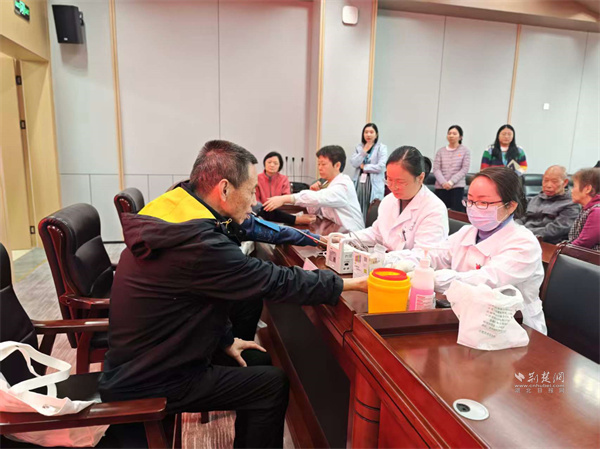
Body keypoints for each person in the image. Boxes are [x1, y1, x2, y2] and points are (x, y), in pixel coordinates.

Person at [98, 140, 367, 448]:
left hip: (150, 352)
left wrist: (225, 339)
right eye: (251, 191)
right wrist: (347, 284)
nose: (253, 202)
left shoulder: (180, 205)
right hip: (154, 375)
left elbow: (200, 290)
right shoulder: (199, 243)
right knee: (270, 385)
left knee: (257, 359)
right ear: (224, 189)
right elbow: (273, 280)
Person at [416, 167, 547, 334]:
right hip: (466, 319)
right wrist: (401, 263)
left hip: (515, 327)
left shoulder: (524, 244)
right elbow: (435, 254)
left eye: (483, 203)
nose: (474, 208)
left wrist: (429, 277)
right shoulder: (467, 232)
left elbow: (486, 280)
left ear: (510, 206)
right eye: (470, 201)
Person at [340, 146, 448, 251]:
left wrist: (383, 258)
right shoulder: (388, 200)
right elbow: (377, 233)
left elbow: (424, 254)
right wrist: (346, 238)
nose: (393, 187)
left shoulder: (434, 209)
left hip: (408, 263)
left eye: (400, 182)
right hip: (387, 260)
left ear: (420, 178)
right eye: (389, 180)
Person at [263, 145, 365, 232]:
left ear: (337, 165)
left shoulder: (343, 185)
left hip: (351, 234)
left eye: (323, 164)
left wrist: (285, 198)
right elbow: (314, 211)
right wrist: (314, 193)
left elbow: (319, 198)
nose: (319, 167)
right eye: (318, 164)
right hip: (333, 230)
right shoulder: (326, 183)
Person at [515, 165, 580, 244]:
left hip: (546, 244)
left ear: (565, 183)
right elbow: (521, 218)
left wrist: (524, 232)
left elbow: (555, 230)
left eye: (554, 181)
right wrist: (515, 228)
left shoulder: (571, 204)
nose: (548, 185)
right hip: (523, 238)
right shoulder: (536, 198)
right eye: (545, 180)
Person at [350, 123, 388, 219]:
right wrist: (363, 152)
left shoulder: (381, 148)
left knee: (372, 210)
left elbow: (380, 167)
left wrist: (364, 167)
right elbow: (354, 163)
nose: (368, 134)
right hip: (360, 183)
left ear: (376, 134)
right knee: (358, 208)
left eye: (371, 132)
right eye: (366, 132)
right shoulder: (359, 147)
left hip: (374, 183)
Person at [433, 125, 471, 212]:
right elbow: (436, 169)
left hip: (457, 187)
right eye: (449, 133)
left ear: (460, 137)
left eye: (454, 134)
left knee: (455, 212)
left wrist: (451, 182)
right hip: (441, 187)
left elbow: (464, 169)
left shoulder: (465, 151)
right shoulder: (440, 151)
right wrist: (443, 183)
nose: (451, 135)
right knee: (440, 211)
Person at [568, 167, 600, 250]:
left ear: (587, 189)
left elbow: (583, 244)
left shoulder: (597, 211)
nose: (571, 191)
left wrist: (560, 250)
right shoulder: (588, 208)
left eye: (574, 186)